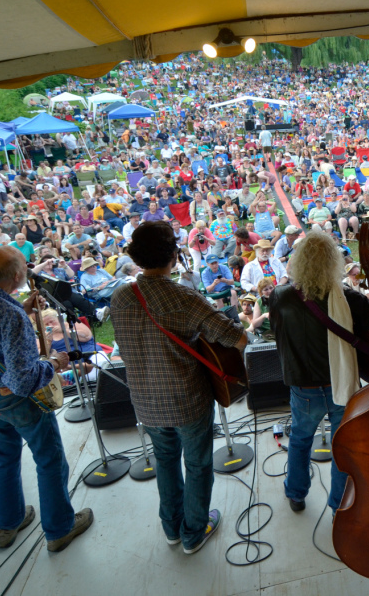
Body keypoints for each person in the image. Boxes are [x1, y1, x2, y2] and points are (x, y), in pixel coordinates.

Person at [110, 221, 246, 554]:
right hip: (187, 401)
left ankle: (172, 528)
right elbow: (237, 338)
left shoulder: (120, 295)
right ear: (174, 254)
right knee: (197, 465)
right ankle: (194, 532)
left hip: (144, 401)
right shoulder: (183, 296)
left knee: (166, 461)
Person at [0, 246, 92, 552]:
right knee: (49, 461)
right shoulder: (10, 314)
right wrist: (54, 363)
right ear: (17, 276)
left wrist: (22, 309)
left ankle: (6, 525)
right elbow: (22, 381)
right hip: (12, 399)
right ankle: (59, 529)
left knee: (4, 458)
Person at [268, 232, 369, 514]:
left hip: (304, 388)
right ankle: (339, 502)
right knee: (342, 446)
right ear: (333, 263)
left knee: (300, 440)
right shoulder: (350, 299)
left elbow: (275, 333)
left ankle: (296, 494)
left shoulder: (280, 297)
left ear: (298, 263)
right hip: (343, 385)